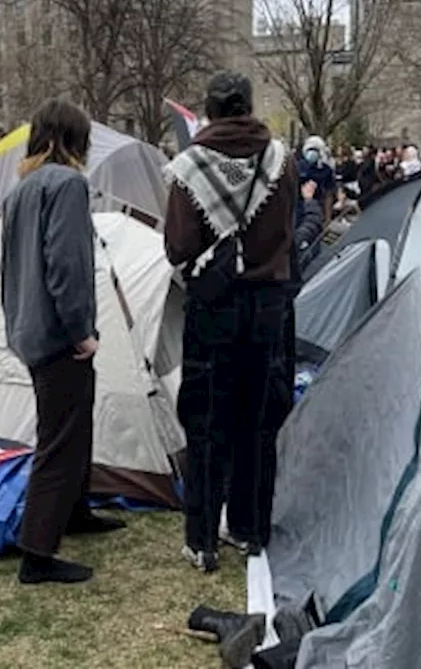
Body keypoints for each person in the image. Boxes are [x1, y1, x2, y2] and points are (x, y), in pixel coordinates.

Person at [164, 71, 296, 572]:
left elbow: (178, 247)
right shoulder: (280, 158)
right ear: (248, 105)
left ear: (211, 110)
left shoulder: (188, 166)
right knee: (258, 420)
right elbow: (285, 227)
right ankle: (250, 528)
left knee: (206, 421)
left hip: (214, 306)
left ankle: (201, 539)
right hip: (267, 304)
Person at [0, 98, 124, 585]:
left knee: (74, 426)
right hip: (58, 335)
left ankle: (76, 511)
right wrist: (81, 332)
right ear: (73, 141)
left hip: (29, 329)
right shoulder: (68, 185)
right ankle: (37, 551)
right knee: (58, 438)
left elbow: (10, 267)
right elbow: (66, 266)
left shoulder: (21, 189)